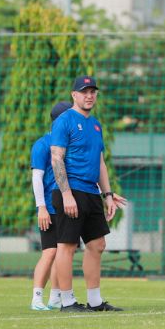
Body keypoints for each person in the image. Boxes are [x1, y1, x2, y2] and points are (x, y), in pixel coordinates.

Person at [51, 76, 123, 313]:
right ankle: (67, 301)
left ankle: (94, 301)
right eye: (84, 92)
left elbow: (100, 162)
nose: (89, 95)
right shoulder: (64, 121)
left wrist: (108, 194)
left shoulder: (95, 125)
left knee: (97, 245)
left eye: (93, 91)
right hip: (71, 190)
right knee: (67, 246)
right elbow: (57, 158)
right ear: (74, 95)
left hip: (91, 192)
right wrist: (66, 194)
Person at [30, 101, 73, 310]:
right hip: (49, 206)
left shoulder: (69, 145)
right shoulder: (43, 144)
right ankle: (37, 298)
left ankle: (55, 297)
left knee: (63, 252)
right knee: (49, 252)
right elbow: (37, 177)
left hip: (66, 206)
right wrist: (41, 207)